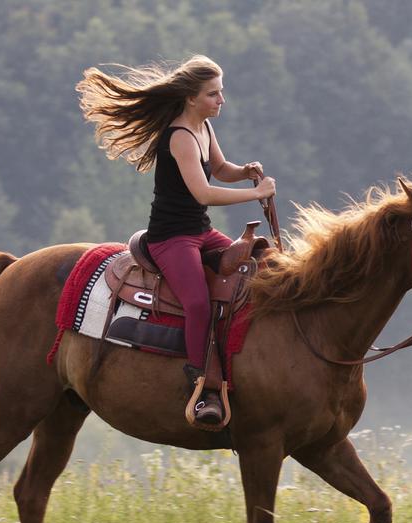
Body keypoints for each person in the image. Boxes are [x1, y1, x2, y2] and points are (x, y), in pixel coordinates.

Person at [77, 55, 274, 427]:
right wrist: (255, 194)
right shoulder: (180, 136)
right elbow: (203, 193)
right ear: (191, 98)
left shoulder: (204, 128)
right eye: (213, 94)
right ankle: (201, 383)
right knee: (198, 303)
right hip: (171, 238)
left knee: (253, 268)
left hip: (199, 232)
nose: (221, 101)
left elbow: (219, 169)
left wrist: (245, 172)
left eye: (221, 92)